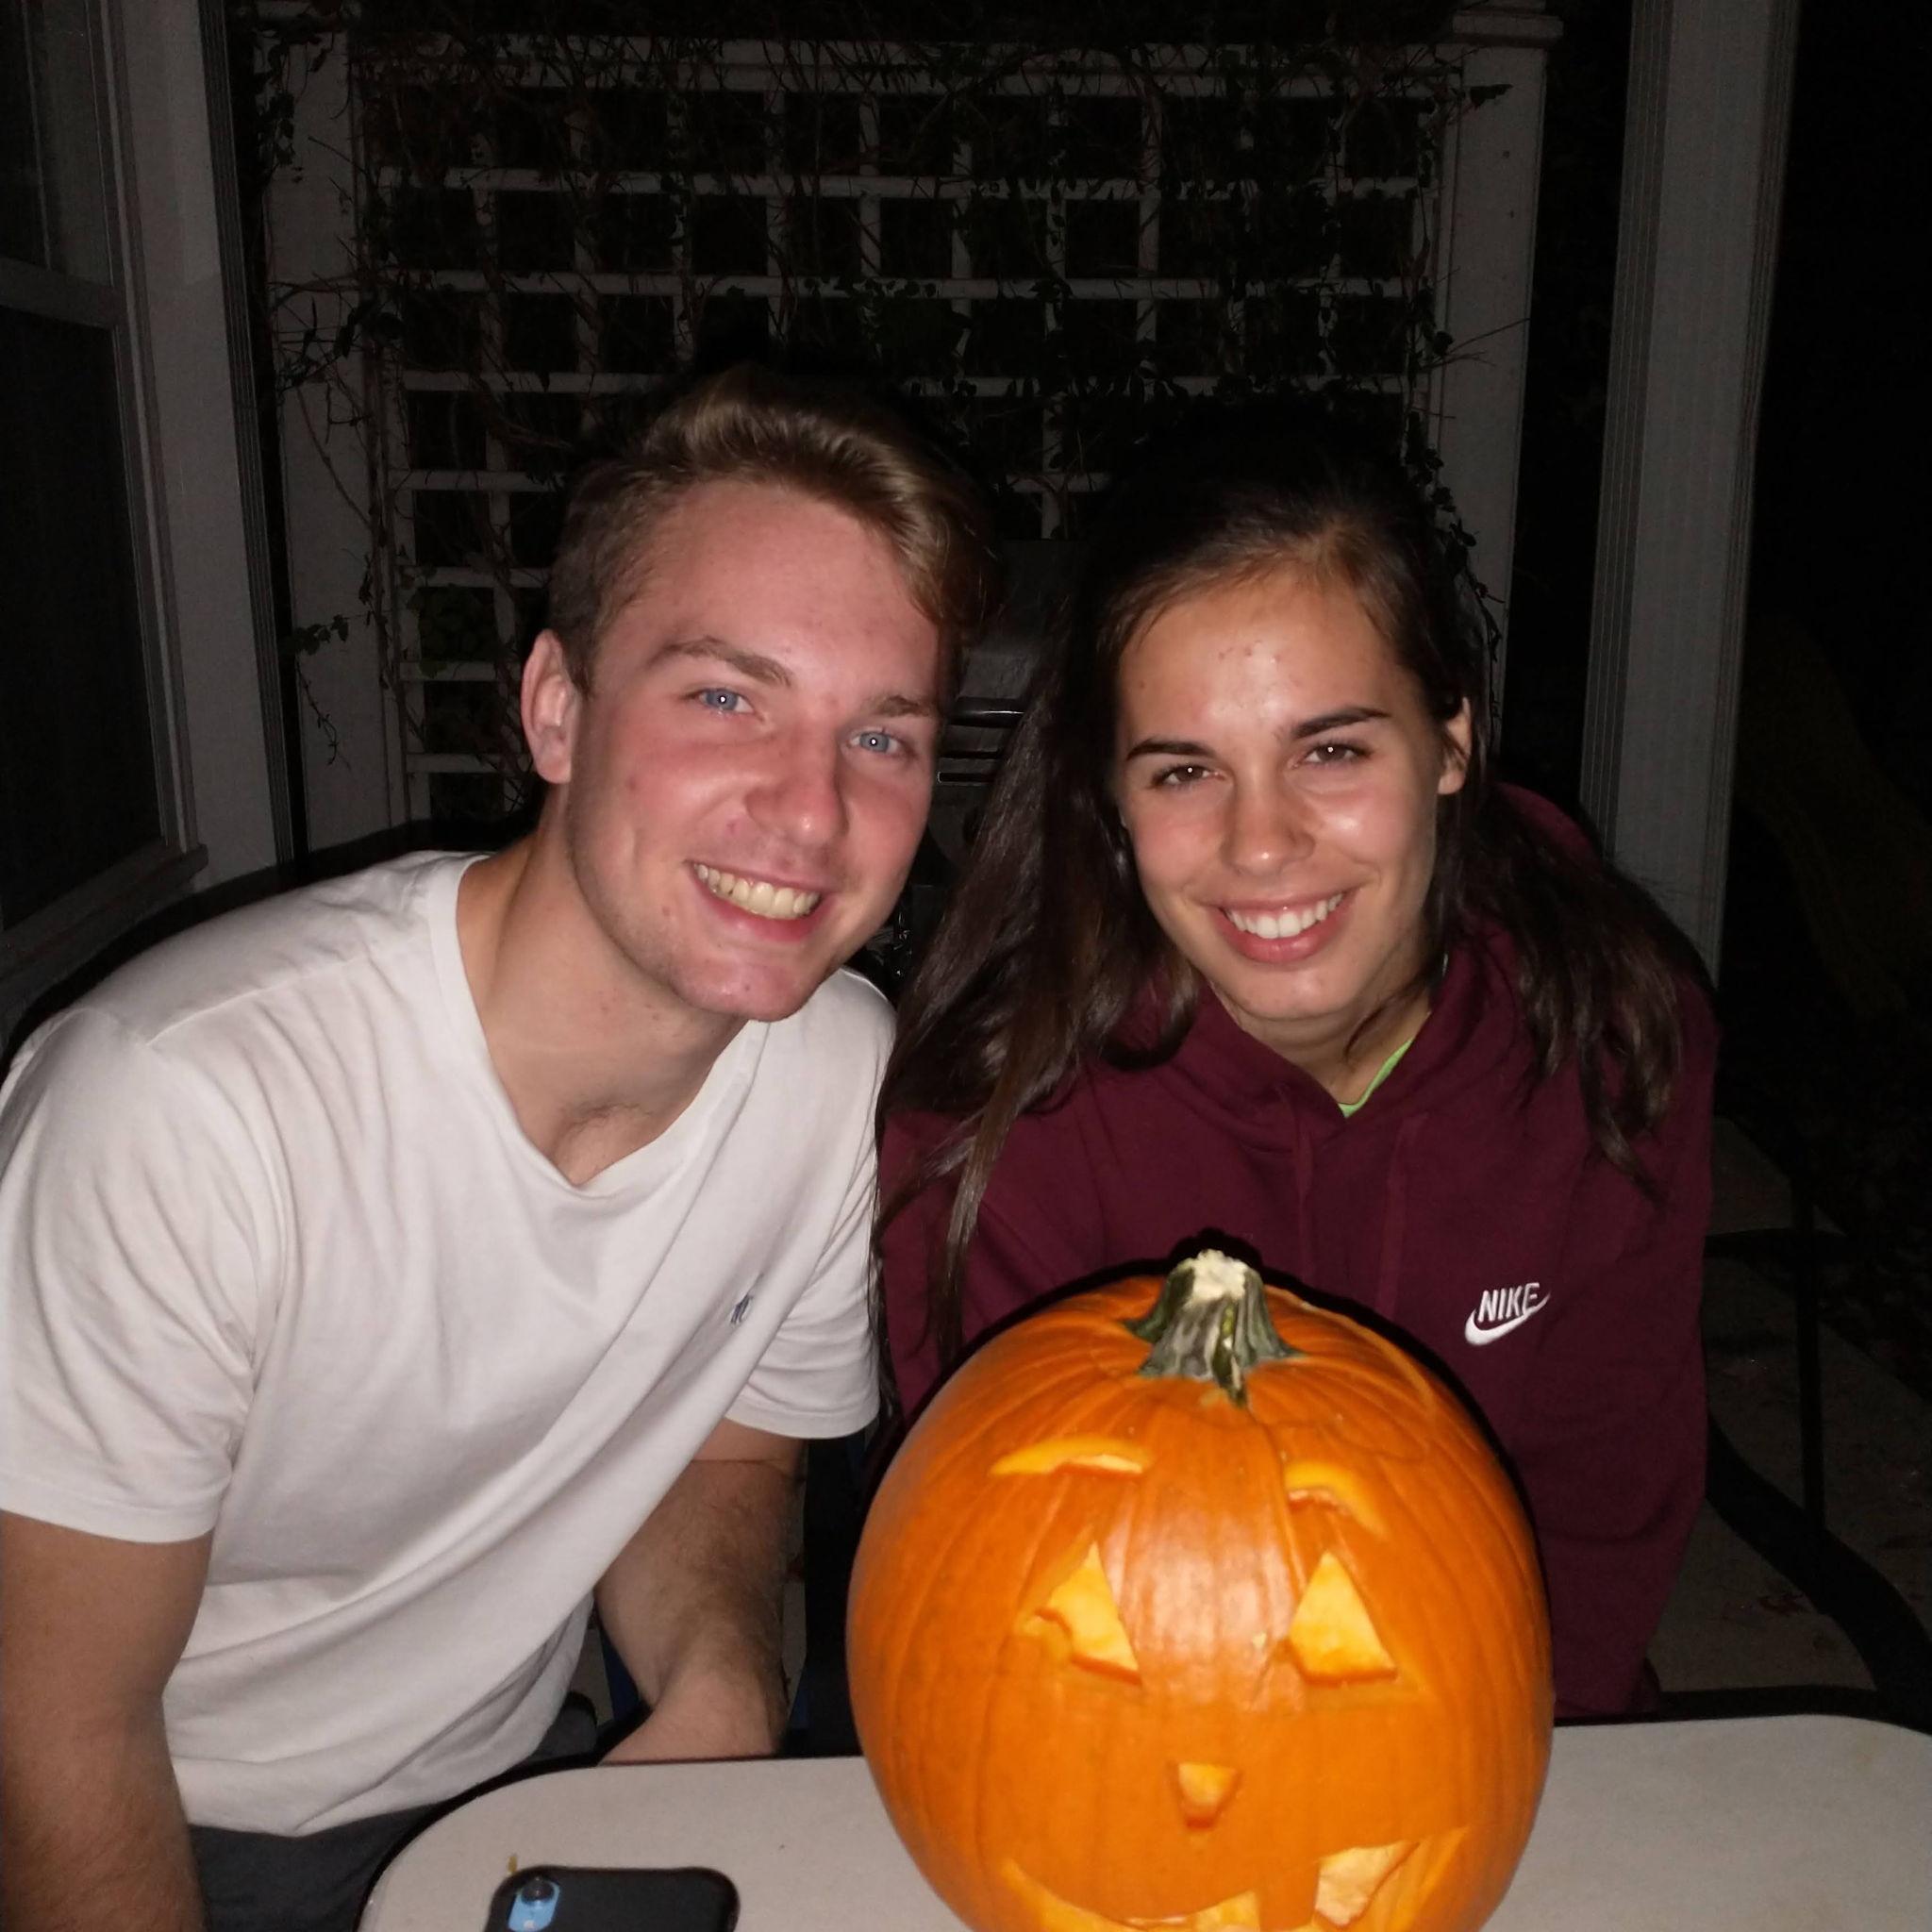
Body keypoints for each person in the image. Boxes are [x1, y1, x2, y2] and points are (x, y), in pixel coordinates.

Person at [0, 364, 997, 1932]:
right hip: (174, 1838)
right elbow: (51, 1735)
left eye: (881, 738)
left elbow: (728, 1442)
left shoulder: (831, 1074)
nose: (810, 814)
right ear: (556, 706)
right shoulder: (182, 1110)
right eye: (725, 697)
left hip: (527, 1795)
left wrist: (725, 1690)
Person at [876, 405, 1715, 1721]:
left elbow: (1606, 1513)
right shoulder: (996, 1124)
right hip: (1123, 1748)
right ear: (1107, 794)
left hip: (1501, 1721)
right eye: (1185, 771)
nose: (1263, 846)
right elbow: (1004, 1578)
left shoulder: (1613, 1030)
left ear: (1450, 739)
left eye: (1330, 750)